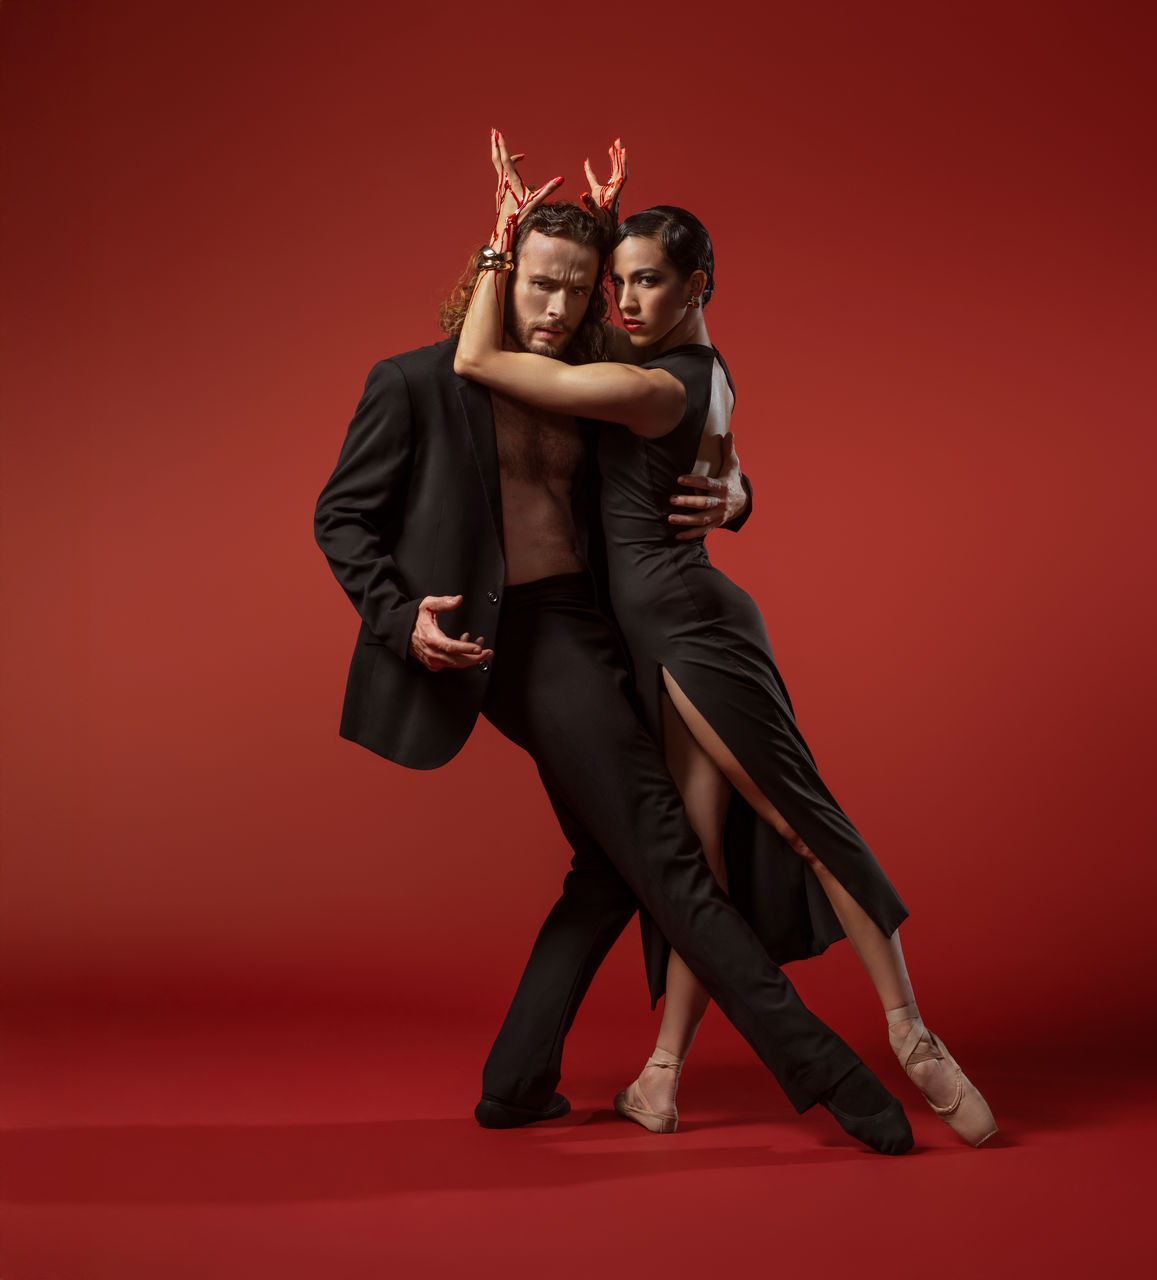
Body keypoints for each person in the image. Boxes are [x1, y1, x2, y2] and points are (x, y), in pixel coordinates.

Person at [314, 143, 915, 1154]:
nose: (555, 309)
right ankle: (831, 1074)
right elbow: (340, 515)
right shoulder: (415, 382)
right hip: (516, 638)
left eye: (577, 291)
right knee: (667, 851)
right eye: (538, 285)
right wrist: (398, 612)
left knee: (611, 863)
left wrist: (739, 496)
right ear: (496, 273)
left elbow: (689, 437)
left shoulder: (596, 377)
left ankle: (514, 1083)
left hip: (608, 631)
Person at [452, 132, 997, 1146]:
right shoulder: (676, 363)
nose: (620, 301)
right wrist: (736, 493)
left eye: (646, 281)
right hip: (658, 631)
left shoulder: (655, 384)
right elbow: (721, 470)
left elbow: (481, 358)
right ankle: (659, 1074)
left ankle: (911, 1031)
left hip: (691, 629)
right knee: (689, 864)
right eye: (615, 281)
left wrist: (496, 243)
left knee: (797, 819)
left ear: (697, 284)